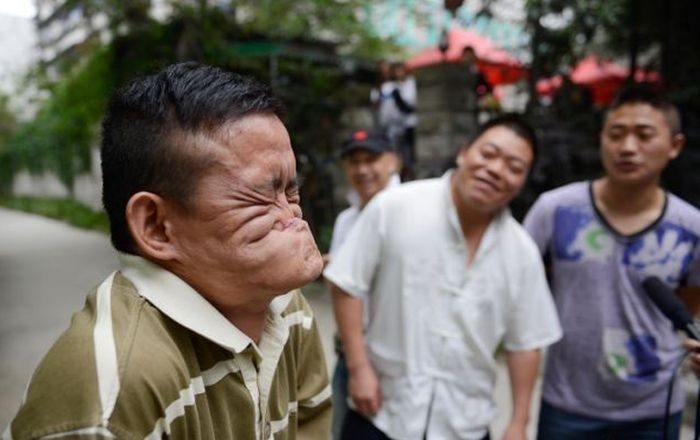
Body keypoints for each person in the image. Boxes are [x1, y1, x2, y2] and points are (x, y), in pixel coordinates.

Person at [3, 63, 331, 439]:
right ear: (156, 226)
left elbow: (311, 422)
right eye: (261, 195)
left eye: (291, 189)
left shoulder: (285, 307)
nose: (292, 214)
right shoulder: (110, 401)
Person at [324, 114, 562, 440]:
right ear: (464, 152)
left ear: (522, 181)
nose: (495, 169)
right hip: (381, 411)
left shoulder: (522, 253)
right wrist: (359, 368)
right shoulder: (394, 206)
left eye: (514, 166)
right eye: (488, 154)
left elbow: (526, 343)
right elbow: (346, 283)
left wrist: (519, 421)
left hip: (464, 422)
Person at [523, 85, 700, 440]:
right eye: (616, 134)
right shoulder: (554, 210)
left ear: (675, 146)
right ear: (601, 139)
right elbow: (518, 288)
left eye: (644, 135)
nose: (628, 147)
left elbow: (688, 305)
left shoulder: (691, 227)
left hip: (654, 409)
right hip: (567, 405)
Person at [326, 130, 401, 440]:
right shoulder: (347, 219)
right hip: (350, 354)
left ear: (393, 161)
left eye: (371, 159)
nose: (362, 170)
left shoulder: (408, 212)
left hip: (394, 360)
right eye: (354, 162)